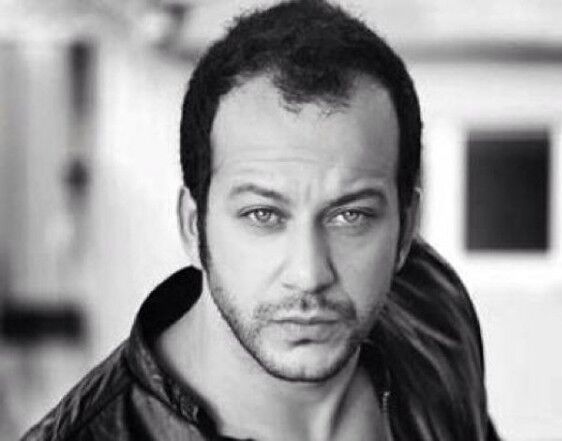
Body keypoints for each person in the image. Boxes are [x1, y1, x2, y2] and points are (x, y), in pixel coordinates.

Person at [22, 1, 501, 440]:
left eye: (349, 215)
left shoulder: (433, 315)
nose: (309, 275)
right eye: (263, 215)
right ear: (194, 227)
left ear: (406, 230)